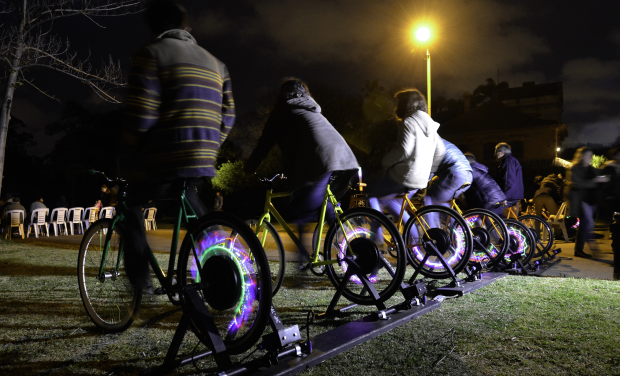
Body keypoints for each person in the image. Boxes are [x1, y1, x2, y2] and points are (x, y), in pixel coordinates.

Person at [119, 0, 235, 291]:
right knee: (193, 204)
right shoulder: (218, 63)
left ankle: (141, 282)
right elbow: (228, 116)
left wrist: (128, 150)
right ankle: (222, 263)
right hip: (203, 157)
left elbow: (141, 116)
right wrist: (209, 147)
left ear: (153, 27)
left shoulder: (150, 53)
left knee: (130, 205)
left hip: (166, 156)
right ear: (185, 26)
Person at [244, 78, 359, 255]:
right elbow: (301, 144)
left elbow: (264, 144)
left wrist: (249, 168)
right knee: (323, 204)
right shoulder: (310, 109)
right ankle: (352, 248)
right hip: (345, 159)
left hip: (323, 161)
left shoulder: (282, 109)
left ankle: (304, 266)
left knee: (301, 210)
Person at [367, 89, 445, 225]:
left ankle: (376, 237)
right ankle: (411, 240)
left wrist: (384, 162)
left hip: (404, 176)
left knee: (373, 195)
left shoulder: (408, 122)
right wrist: (429, 173)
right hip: (421, 179)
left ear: (406, 104)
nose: (396, 107)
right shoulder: (430, 125)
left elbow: (403, 151)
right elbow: (440, 151)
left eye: (398, 104)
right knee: (394, 203)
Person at [565, 147, 609, 258]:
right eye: (588, 155)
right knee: (588, 224)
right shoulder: (575, 168)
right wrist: (595, 181)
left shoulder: (591, 169)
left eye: (591, 155)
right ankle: (594, 249)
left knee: (585, 225)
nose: (590, 158)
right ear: (581, 156)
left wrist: (605, 175)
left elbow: (601, 174)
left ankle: (579, 250)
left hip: (591, 200)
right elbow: (578, 184)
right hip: (581, 201)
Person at [424, 139, 472, 208]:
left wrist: (424, 183)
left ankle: (428, 219)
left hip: (455, 174)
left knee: (430, 199)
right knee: (442, 201)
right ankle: (457, 218)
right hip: (468, 174)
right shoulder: (441, 141)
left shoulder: (430, 144)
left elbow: (431, 168)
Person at [494, 142, 524, 218]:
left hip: (510, 195)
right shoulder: (509, 160)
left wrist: (505, 197)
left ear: (502, 152)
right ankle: (506, 225)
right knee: (500, 214)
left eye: (496, 152)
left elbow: (508, 179)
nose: (495, 154)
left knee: (491, 212)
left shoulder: (508, 161)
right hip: (512, 194)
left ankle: (503, 227)